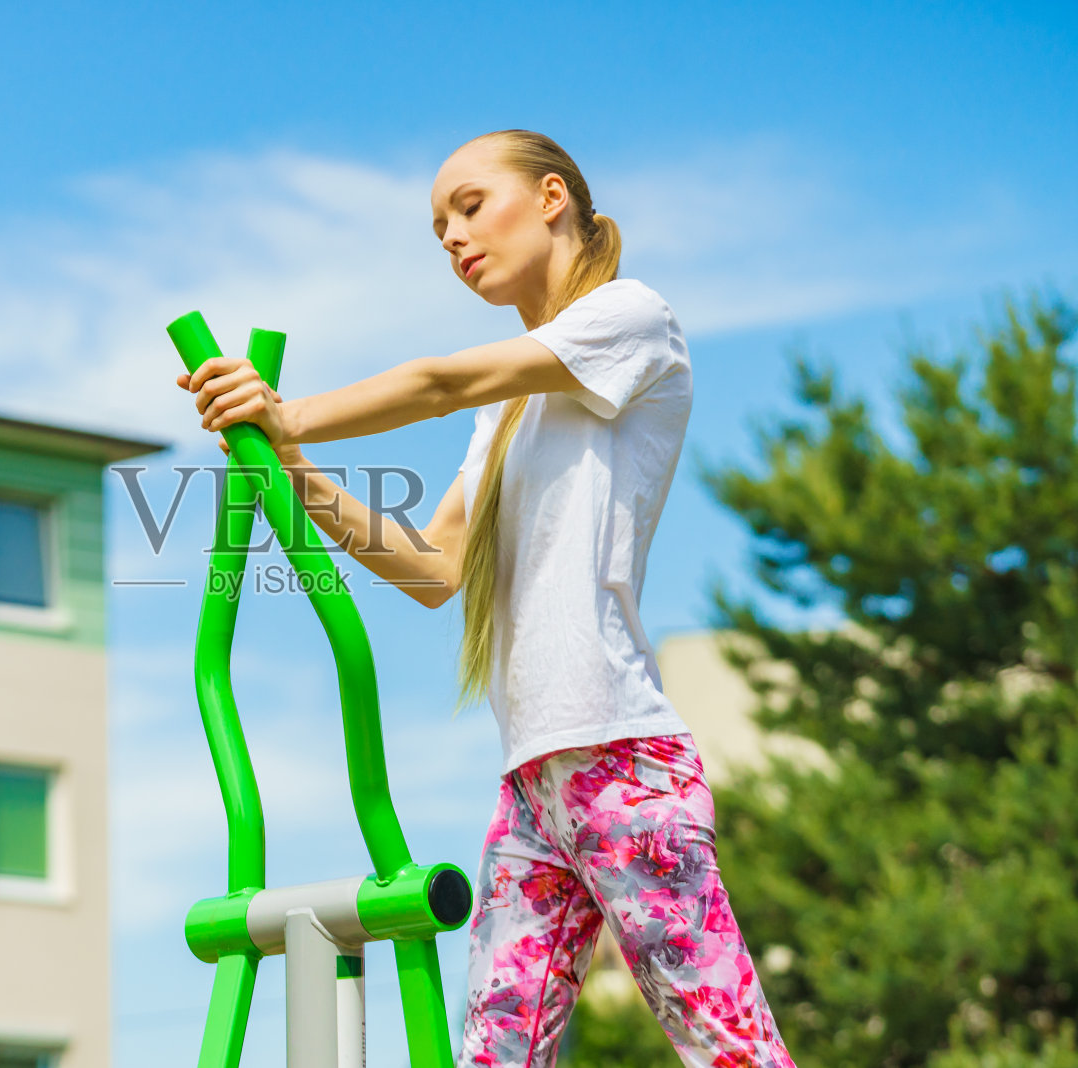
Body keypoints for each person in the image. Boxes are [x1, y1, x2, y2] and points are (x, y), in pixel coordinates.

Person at [176, 129, 795, 1067]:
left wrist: (287, 412)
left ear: (551, 198)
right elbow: (434, 568)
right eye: (439, 231)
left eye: (469, 207)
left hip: (621, 761)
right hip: (533, 789)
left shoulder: (632, 319)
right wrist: (292, 462)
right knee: (494, 1053)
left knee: (729, 1049)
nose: (454, 239)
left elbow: (441, 380)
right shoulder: (506, 411)